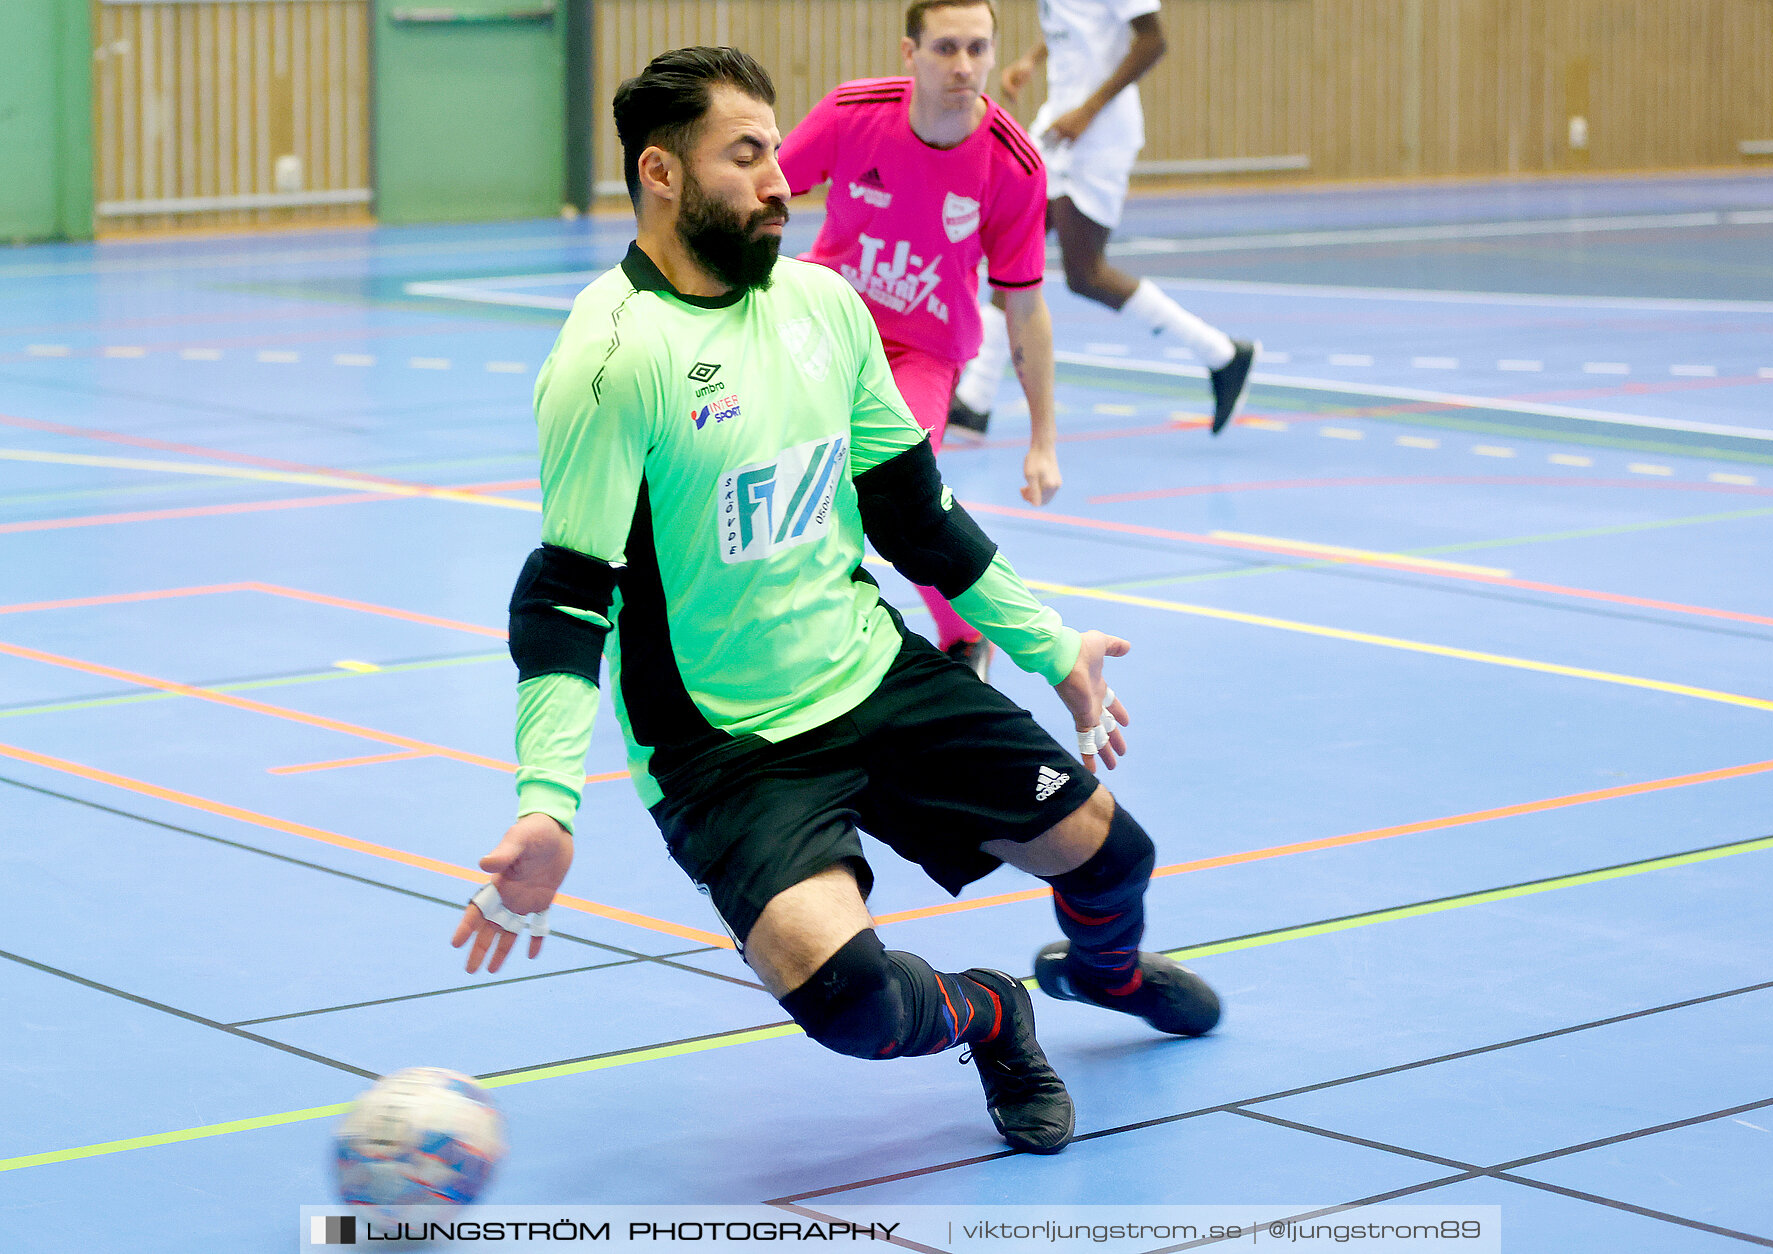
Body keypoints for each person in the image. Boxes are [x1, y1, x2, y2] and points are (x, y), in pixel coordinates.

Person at [451, 45, 1220, 1157]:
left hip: (869, 670)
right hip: (727, 747)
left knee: (1112, 858)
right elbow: (567, 599)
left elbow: (916, 515)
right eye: (746, 155)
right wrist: (546, 804)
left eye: (777, 152)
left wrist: (1049, 645)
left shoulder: (821, 307)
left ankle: (1105, 973)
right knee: (855, 1005)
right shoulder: (613, 357)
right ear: (662, 174)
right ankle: (997, 1011)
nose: (779, 181)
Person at [779, 0, 1059, 681]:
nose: (964, 66)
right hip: (827, 323)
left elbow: (1025, 307)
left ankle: (963, 636)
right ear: (910, 54)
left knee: (895, 494)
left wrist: (1043, 439)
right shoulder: (852, 114)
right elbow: (762, 196)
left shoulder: (1013, 165)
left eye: (978, 48)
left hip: (923, 354)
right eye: (945, 48)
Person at [948, 0, 1257, 437]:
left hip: (1099, 135)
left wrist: (1088, 111)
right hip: (1058, 125)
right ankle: (975, 402)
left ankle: (1223, 355)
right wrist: (1033, 59)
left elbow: (1154, 40)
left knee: (1086, 273)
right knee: (1011, 251)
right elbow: (1079, 27)